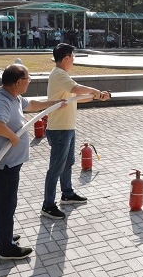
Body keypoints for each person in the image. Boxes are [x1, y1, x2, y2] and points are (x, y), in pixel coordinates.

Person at [0, 64, 65, 260]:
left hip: (8, 163)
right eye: (28, 79)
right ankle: (6, 249)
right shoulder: (1, 101)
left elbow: (32, 105)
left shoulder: (14, 97)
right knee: (7, 203)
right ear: (18, 82)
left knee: (2, 202)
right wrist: (12, 137)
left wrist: (54, 103)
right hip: (2, 165)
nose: (30, 82)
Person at [41, 43, 111, 219]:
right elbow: (77, 89)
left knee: (67, 163)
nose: (73, 60)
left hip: (67, 128)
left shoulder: (63, 76)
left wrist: (96, 97)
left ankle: (67, 193)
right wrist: (95, 91)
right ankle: (48, 205)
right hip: (59, 130)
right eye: (73, 57)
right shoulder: (58, 75)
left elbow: (76, 98)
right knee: (55, 168)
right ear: (66, 58)